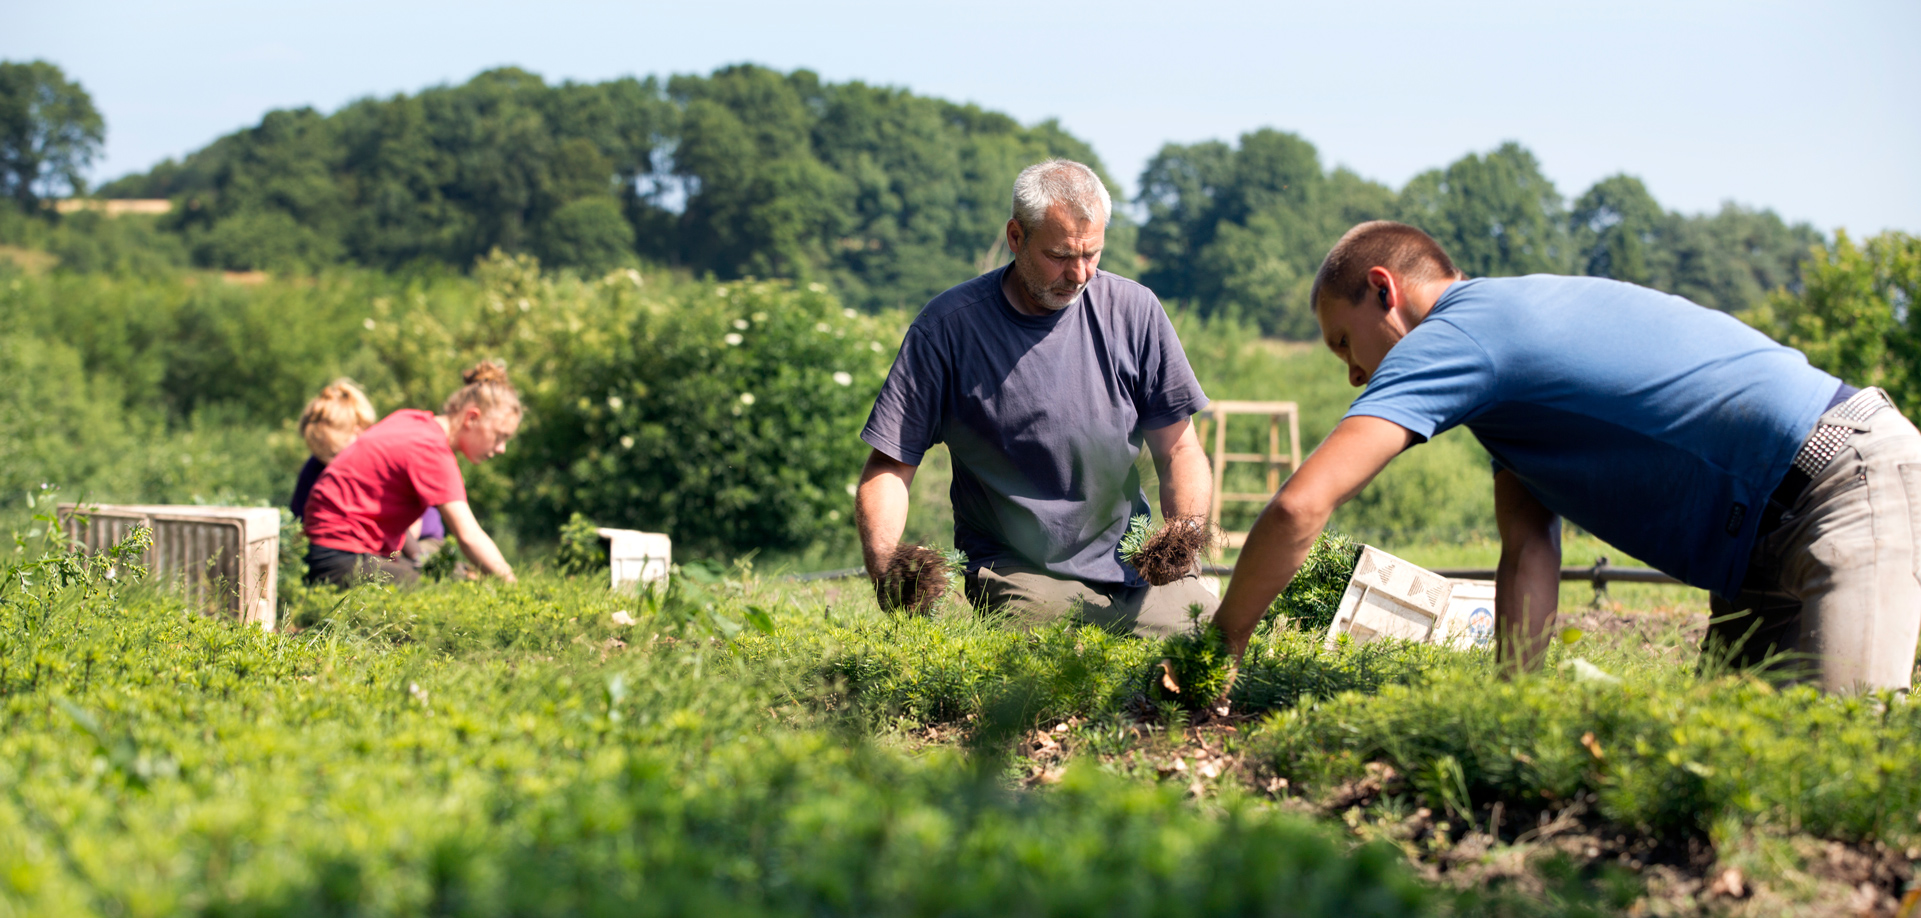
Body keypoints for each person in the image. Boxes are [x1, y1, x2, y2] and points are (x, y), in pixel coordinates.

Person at [1215, 220, 1921, 693]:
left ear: (1382, 289)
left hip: (1842, 487)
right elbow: (1527, 551)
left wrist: (1218, 649)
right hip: (1758, 555)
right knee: (1736, 788)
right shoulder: (1503, 363)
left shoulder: (1457, 336)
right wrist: (1511, 706)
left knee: (1844, 764)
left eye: (1344, 343)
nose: (1353, 375)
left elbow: (1299, 505)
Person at [856, 159, 1217, 638]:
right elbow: (889, 468)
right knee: (1058, 664)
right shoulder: (949, 329)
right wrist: (888, 566)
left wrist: (1182, 538)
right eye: (1061, 255)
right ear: (1015, 236)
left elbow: (1179, 450)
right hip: (1023, 570)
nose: (1080, 273)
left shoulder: (1135, 311)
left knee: (1209, 642)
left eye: (1093, 254)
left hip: (1132, 563)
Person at [302, 361, 521, 587]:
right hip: (342, 558)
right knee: (450, 593)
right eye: (499, 436)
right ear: (472, 418)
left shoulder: (412, 420)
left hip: (326, 552)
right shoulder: (430, 449)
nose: (501, 448)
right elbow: (469, 536)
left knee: (457, 577)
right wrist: (512, 587)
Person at [291, 378, 446, 567]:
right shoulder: (314, 469)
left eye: (335, 455)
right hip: (354, 550)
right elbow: (302, 527)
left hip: (416, 542)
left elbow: (406, 533)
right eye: (321, 457)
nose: (332, 469)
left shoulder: (385, 459)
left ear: (358, 434)